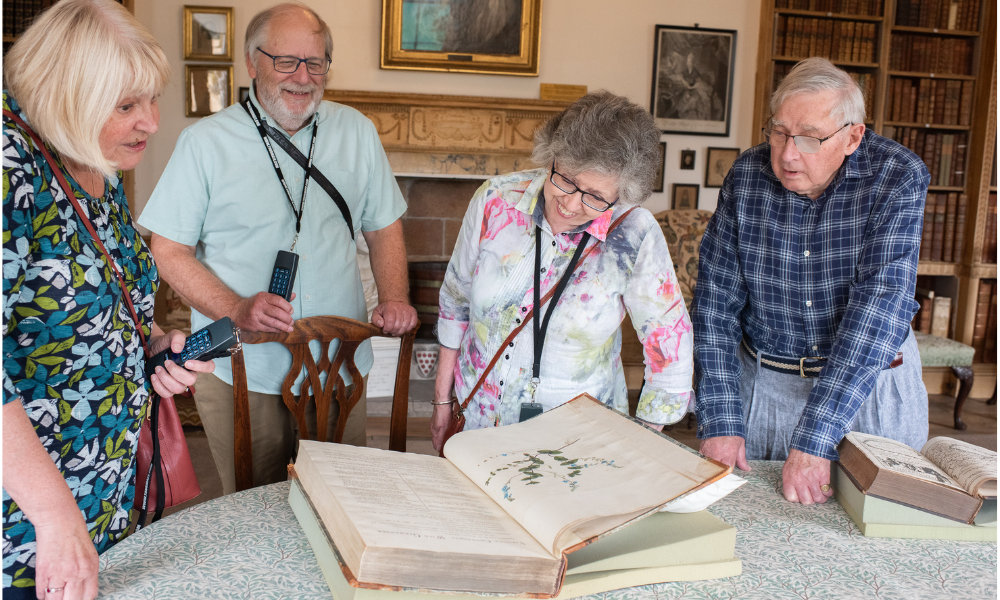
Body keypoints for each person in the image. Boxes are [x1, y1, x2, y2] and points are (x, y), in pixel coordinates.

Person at [140, 3, 417, 496]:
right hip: (244, 368)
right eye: (285, 61)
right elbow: (168, 250)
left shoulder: (357, 132)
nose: (303, 77)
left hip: (340, 364)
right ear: (252, 61)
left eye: (315, 62)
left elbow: (383, 229)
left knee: (343, 504)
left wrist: (394, 296)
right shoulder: (204, 143)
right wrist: (235, 308)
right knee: (252, 510)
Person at [2, 1, 214, 598]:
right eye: (126, 105)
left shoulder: (100, 172)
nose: (151, 121)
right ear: (65, 93)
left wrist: (154, 349)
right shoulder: (10, 171)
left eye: (151, 99)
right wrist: (53, 516)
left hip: (105, 501)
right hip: (25, 530)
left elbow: (99, 314)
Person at [693, 57, 930, 506]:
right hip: (765, 385)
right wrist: (721, 419)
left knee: (879, 535)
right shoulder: (747, 176)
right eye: (779, 132)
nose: (786, 153)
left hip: (870, 387)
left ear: (853, 136)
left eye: (809, 138)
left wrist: (816, 434)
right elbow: (714, 304)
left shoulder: (898, 177)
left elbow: (879, 309)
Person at [430, 91, 693, 450]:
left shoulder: (634, 233)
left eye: (595, 197)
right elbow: (455, 301)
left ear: (622, 194)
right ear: (551, 156)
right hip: (477, 422)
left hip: (577, 442)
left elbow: (669, 344)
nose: (570, 204)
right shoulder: (496, 199)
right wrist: (443, 401)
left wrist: (644, 442)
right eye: (565, 179)